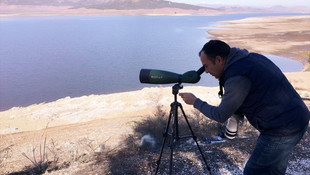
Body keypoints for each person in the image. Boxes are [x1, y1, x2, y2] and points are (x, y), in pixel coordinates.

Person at [179, 40, 310, 175]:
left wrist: (195, 101)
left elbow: (220, 115)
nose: (205, 71)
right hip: (298, 118)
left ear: (219, 60)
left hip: (281, 129)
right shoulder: (249, 59)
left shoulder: (237, 77)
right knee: (274, 170)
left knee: (253, 171)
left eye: (206, 66)